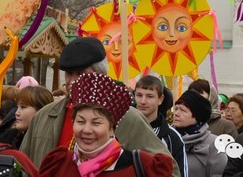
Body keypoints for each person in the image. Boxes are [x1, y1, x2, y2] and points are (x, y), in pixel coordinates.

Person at [20, 36, 179, 176]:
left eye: (80, 73)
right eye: (69, 73)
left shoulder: (129, 118)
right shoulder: (44, 116)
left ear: (100, 74)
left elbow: (169, 172)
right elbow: (21, 167)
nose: (72, 81)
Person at [39, 72, 173, 176]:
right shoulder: (59, 163)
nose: (86, 130)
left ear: (112, 129)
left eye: (96, 123)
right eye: (80, 121)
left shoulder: (142, 166)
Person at [134, 75, 188, 177]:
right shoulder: (123, 130)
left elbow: (181, 173)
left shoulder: (172, 137)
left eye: (150, 96)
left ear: (160, 99)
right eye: (139, 95)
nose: (143, 101)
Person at [173, 89, 228, 176]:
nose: (176, 113)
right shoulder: (167, 139)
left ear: (197, 116)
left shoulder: (214, 144)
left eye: (183, 110)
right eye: (176, 109)